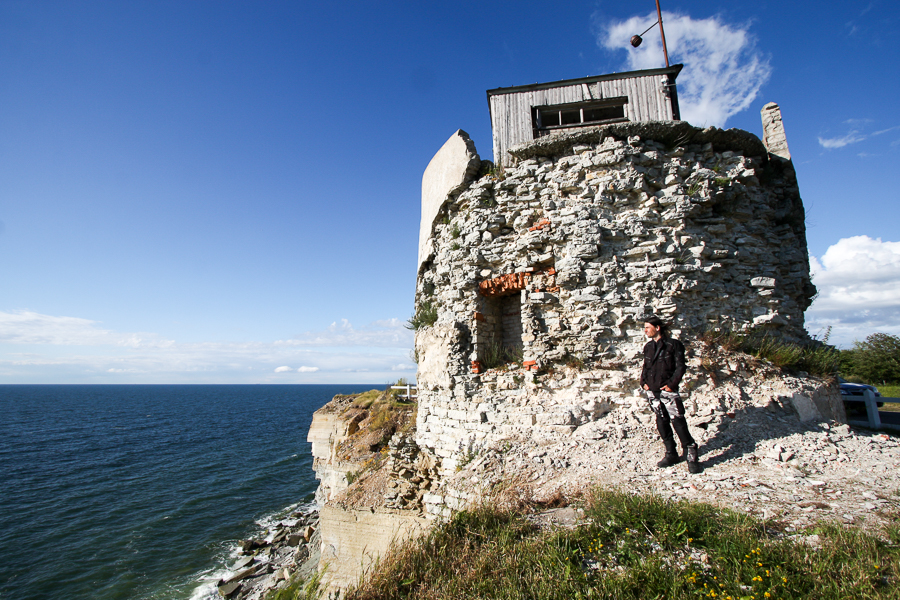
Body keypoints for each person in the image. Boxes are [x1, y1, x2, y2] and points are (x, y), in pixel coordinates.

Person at [640, 316, 701, 473]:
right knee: (661, 421)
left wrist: (672, 385)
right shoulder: (648, 347)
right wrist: (643, 382)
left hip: (667, 390)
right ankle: (671, 453)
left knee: (678, 421)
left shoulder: (674, 345)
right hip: (652, 390)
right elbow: (646, 366)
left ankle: (691, 453)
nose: (645, 330)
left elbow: (680, 367)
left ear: (657, 328)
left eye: (648, 327)